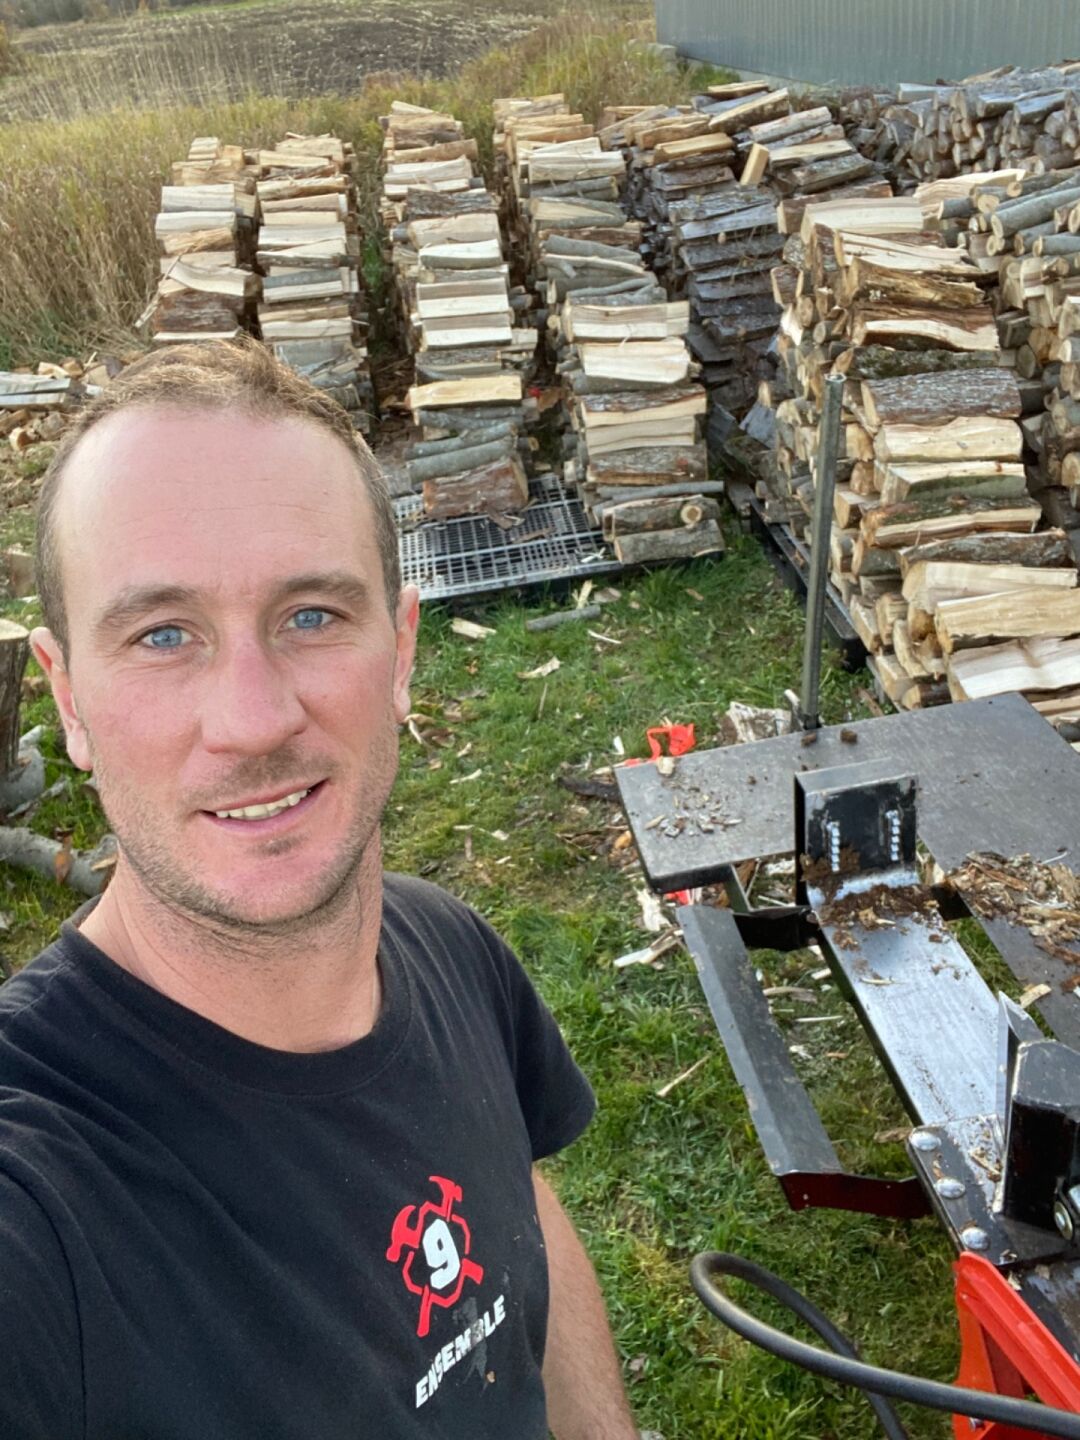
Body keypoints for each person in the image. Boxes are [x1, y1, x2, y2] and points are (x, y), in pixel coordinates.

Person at [0, 338, 639, 1438]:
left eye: (310, 616)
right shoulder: (41, 1194)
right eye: (163, 635)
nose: (254, 720)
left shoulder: (450, 951)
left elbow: (518, 1209)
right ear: (68, 700)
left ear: (401, 653)